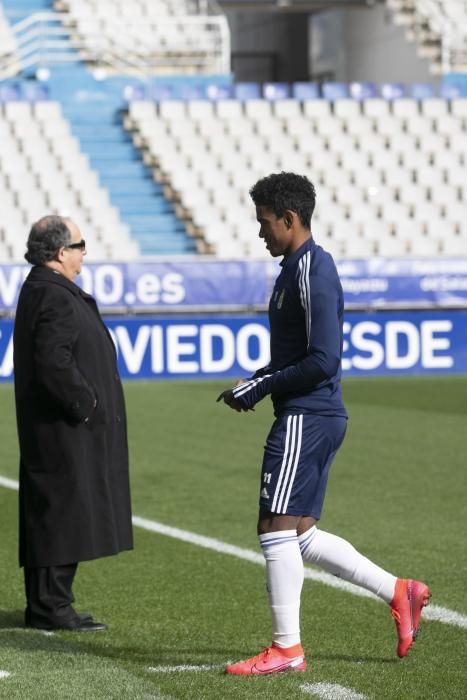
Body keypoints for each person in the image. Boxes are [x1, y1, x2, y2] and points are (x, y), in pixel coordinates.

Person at [217, 172, 430, 675]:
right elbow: (298, 354)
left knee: (273, 525)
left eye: (265, 223)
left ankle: (287, 650)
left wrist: (263, 386)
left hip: (307, 415)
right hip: (311, 413)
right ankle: (399, 591)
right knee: (300, 531)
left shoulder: (313, 268)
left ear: (290, 220)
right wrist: (257, 381)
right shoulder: (294, 268)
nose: (261, 232)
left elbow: (323, 359)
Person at [13, 215, 133, 632]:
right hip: (63, 428)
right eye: (81, 245)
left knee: (61, 512)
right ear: (61, 252)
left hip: (59, 428)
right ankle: (50, 606)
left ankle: (51, 602)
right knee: (61, 514)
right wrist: (87, 404)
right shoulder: (53, 295)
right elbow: (54, 361)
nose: (84, 253)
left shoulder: (46, 290)